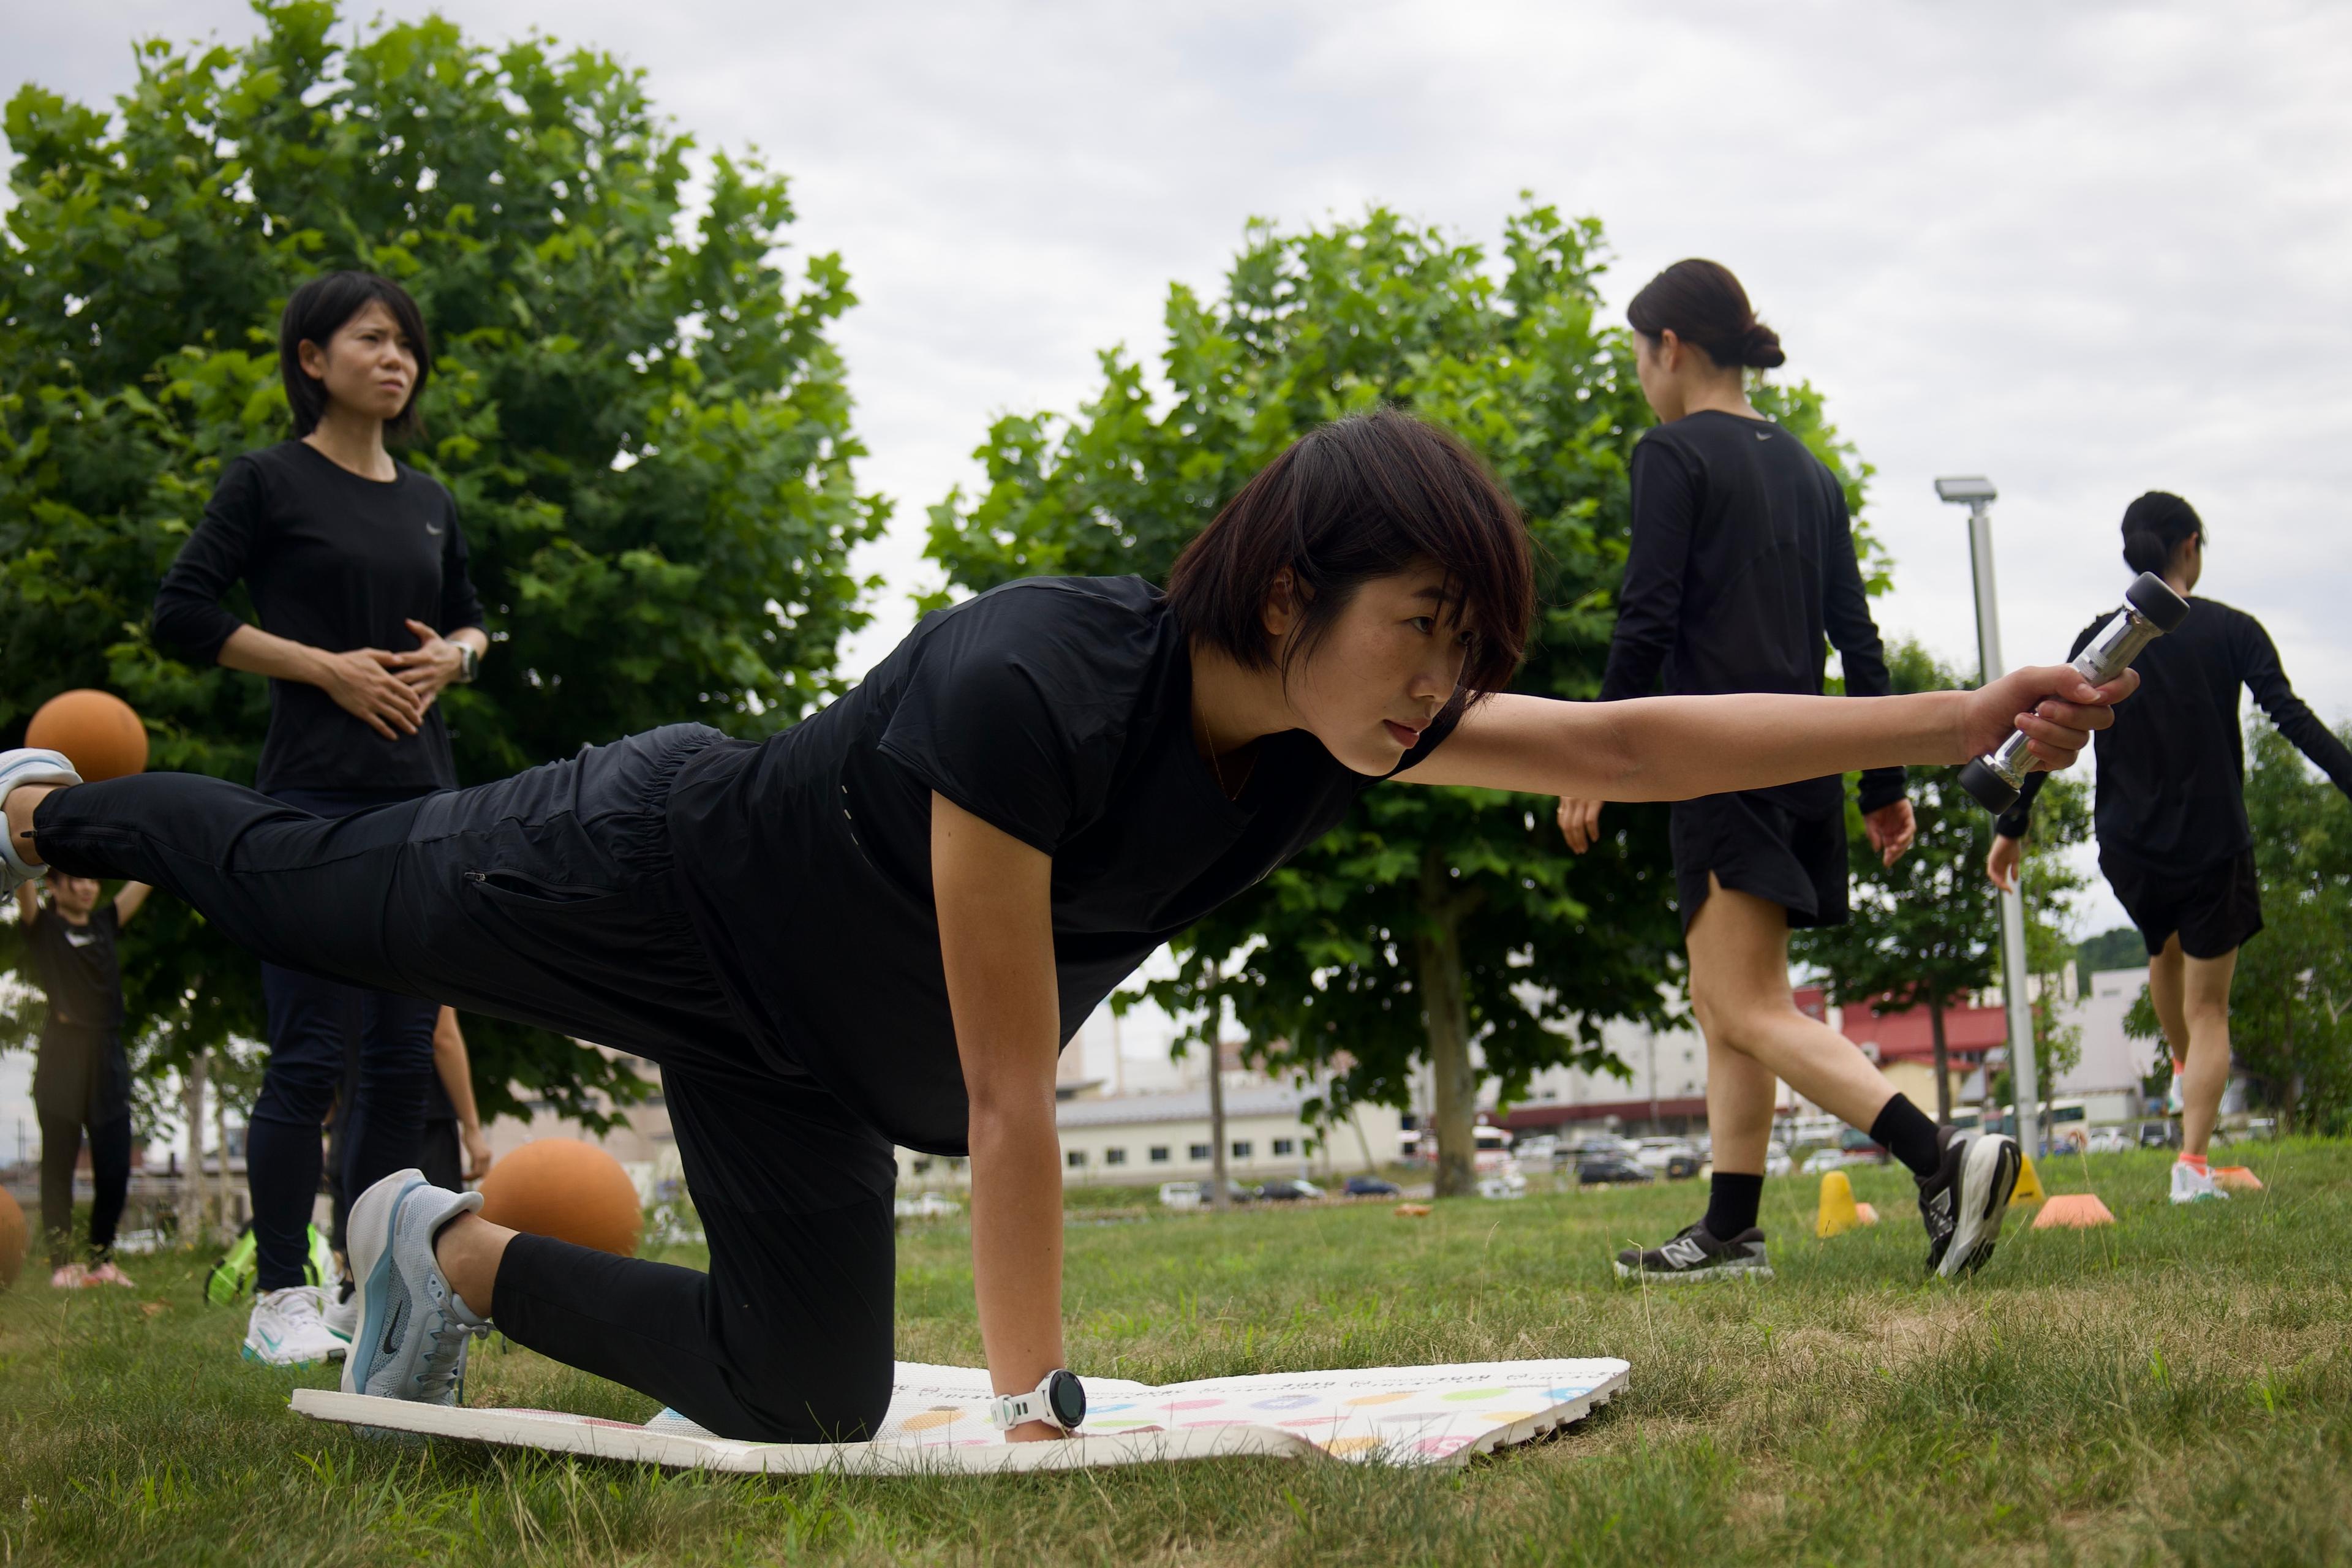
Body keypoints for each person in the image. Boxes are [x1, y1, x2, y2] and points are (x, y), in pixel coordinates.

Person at [0, 410, 2130, 1442]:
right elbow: (1017, 1105)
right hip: (628, 874)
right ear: (1293, 596)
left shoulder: (1341, 734)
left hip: (804, 1054)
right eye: (1419, 630)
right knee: (307, 885)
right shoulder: (1035, 684)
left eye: (1463, 650)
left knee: (806, 1396)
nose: (1435, 683)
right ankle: (62, 799)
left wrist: (1957, 711)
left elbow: (1639, 733)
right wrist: (1036, 1409)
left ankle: (428, 1244)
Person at [1556, 258, 2001, 1284]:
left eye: (1637, 353)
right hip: (1803, 766)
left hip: (1714, 759)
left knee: (1749, 1006)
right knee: (1729, 1003)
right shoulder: (1809, 470)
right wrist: (1881, 783)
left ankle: (1943, 1159)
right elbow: (1857, 636)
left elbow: (1648, 612)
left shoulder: (1671, 456)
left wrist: (1589, 753)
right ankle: (1730, 1230)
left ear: (1670, 347)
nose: (1638, 375)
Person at [147, 270, 489, 1366]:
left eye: (408, 347)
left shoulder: (429, 497)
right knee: (307, 1054)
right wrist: (323, 671)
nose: (398, 360)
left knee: (399, 1060)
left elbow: (477, 622)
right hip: (308, 799)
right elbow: (182, 613)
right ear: (313, 358)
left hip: (422, 802)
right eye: (374, 340)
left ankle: (364, 1285)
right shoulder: (269, 481)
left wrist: (459, 656)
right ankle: (281, 1297)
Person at [1986, 492, 2352, 1204]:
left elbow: (2043, 727)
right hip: (2213, 840)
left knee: (2165, 951)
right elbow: (2289, 716)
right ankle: (2191, 1162)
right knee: (2209, 1006)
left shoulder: (2101, 637)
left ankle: (2190, 1074)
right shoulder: (2232, 629)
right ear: (2190, 545)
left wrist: (2011, 824)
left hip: (2128, 845)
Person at [322, 1006, 494, 1343]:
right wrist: (472, 1128)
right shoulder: (418, 953)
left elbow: (326, 1050)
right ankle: (407, 1323)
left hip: (355, 1119)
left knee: (364, 1232)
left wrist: (330, 1125)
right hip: (418, 1115)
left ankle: (358, 1306)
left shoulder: (336, 959)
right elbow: (443, 1036)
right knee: (436, 1236)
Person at [14, 870, 151, 1287]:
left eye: (93, 879)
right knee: (59, 1163)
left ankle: (103, 1261)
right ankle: (63, 1266)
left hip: (107, 1053)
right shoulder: (43, 925)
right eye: (76, 880)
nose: (89, 887)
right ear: (53, 886)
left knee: (114, 1163)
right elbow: (23, 881)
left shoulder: (105, 923)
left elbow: (143, 881)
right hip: (62, 1053)